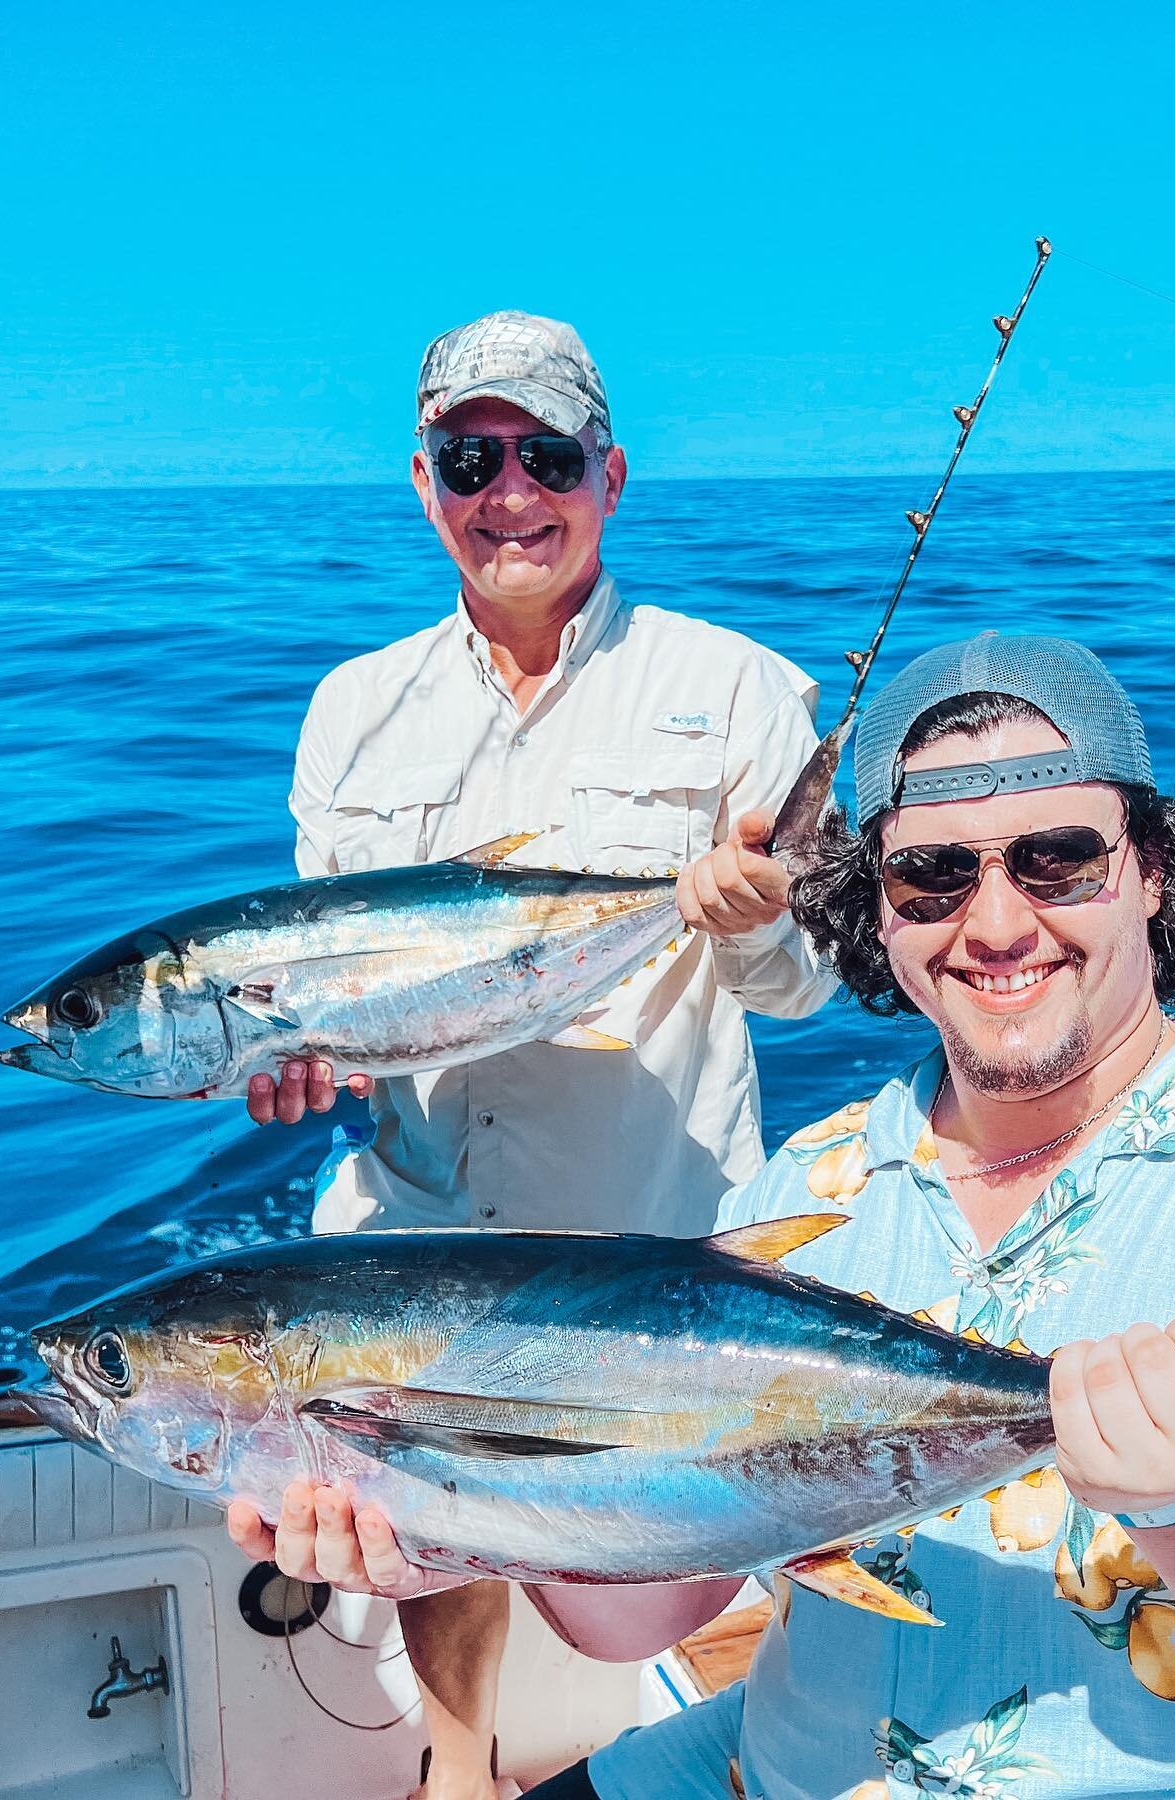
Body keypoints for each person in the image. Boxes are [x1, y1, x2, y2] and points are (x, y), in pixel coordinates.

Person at [232, 633, 1175, 1799]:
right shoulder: (810, 1196)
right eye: (933, 874)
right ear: (880, 909)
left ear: (1154, 872)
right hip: (774, 1765)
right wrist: (458, 1526)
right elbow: (644, 1618)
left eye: (1058, 857)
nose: (1000, 922)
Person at [243, 310, 835, 1800]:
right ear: (424, 482)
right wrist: (302, 1064)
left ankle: (779, 1698)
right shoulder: (349, 713)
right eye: (470, 456)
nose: (511, 493)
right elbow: (335, 1005)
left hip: (651, 1223)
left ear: (610, 476)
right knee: (420, 1511)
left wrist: (755, 919)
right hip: (418, 1217)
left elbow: (807, 983)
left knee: (667, 1555)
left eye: (547, 455)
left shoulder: (741, 690)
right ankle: (457, 1762)